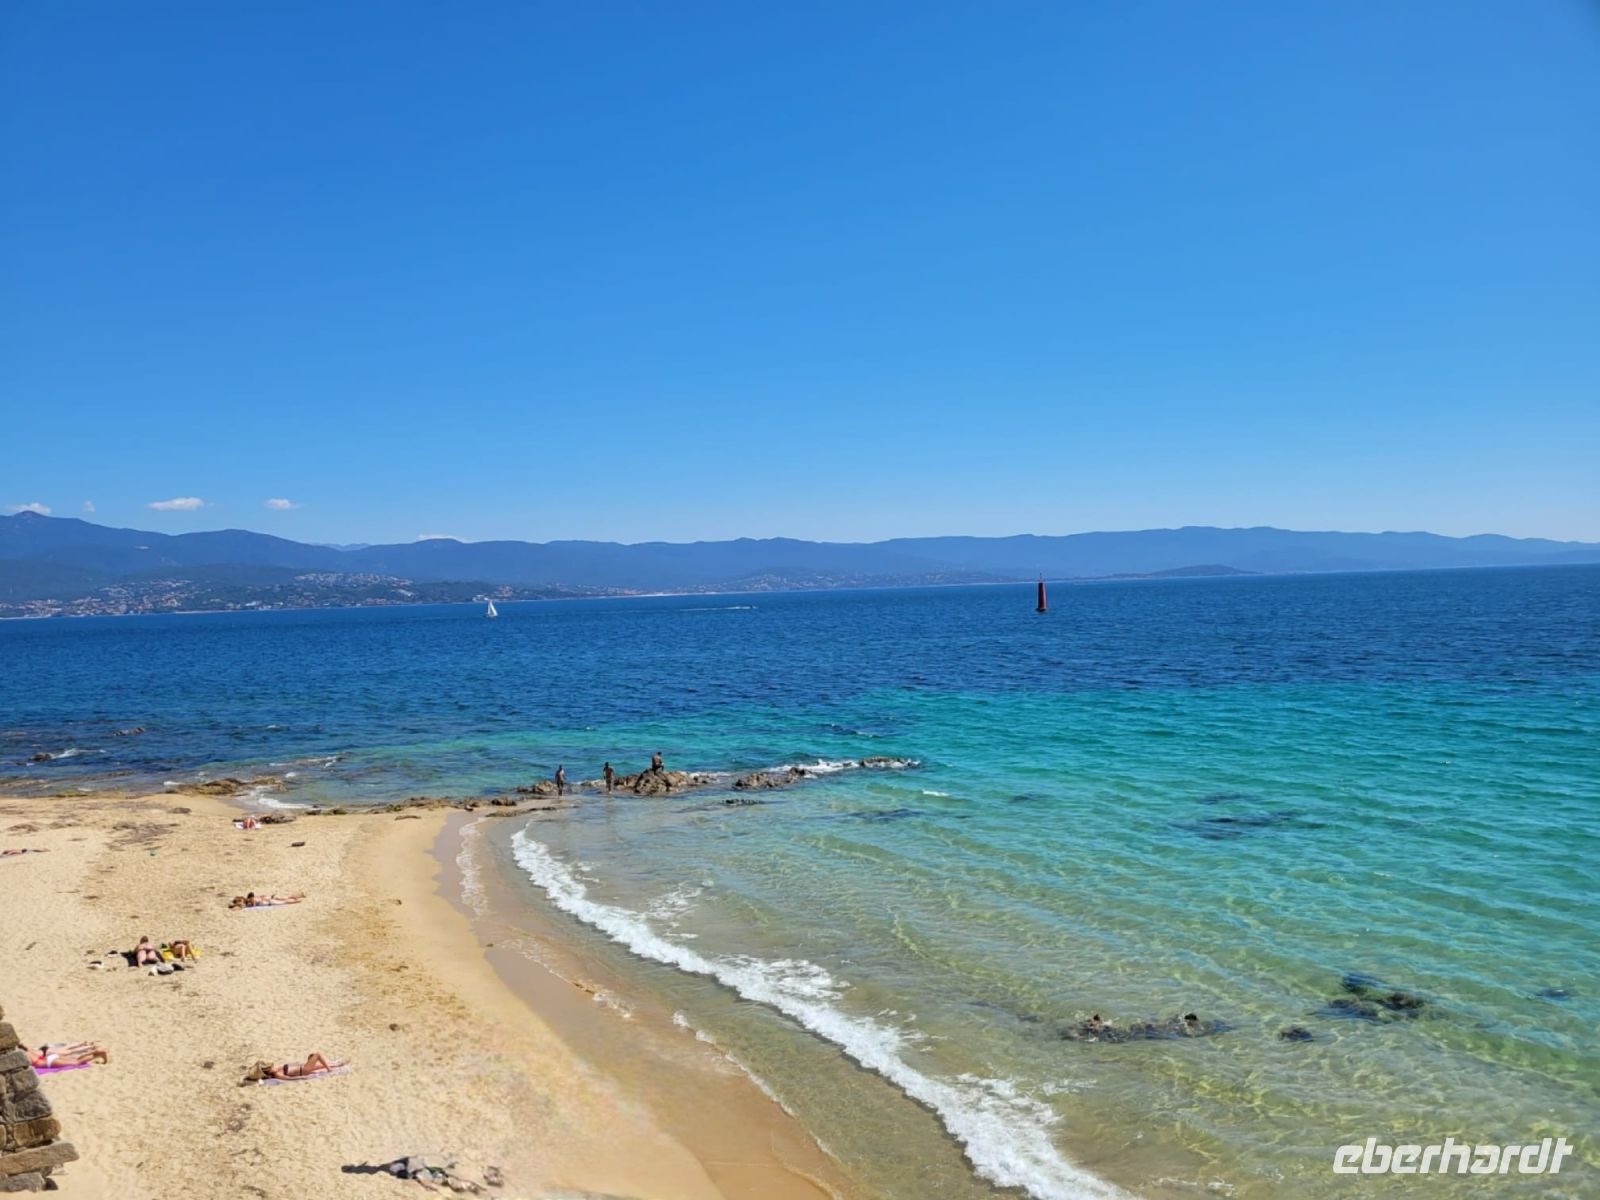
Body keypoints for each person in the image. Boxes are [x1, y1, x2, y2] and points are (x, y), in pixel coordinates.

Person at [261, 1052, 345, 1080]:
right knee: (318, 1054)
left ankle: (337, 1065)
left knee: (316, 1061)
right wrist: (301, 1078)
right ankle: (330, 1069)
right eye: (270, 1069)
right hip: (304, 1070)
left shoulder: (277, 1069)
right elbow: (289, 1079)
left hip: (303, 1067)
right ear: (269, 1072)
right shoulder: (277, 1075)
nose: (273, 1068)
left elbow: (290, 1066)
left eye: (271, 1067)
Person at [32, 1042, 109, 1067]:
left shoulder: (24, 1058)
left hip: (49, 1061)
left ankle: (96, 1054)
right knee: (73, 1056)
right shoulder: (26, 1051)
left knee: (76, 1062)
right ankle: (95, 1052)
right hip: (47, 1057)